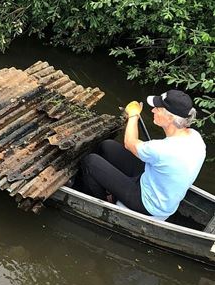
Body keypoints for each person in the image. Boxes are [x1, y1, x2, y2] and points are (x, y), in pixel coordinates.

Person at [77, 89, 206, 219]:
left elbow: (130, 143)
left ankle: (103, 204)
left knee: (90, 162)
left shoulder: (163, 149)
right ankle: (105, 187)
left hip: (148, 204)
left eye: (158, 109)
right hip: (157, 186)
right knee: (107, 146)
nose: (153, 110)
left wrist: (133, 115)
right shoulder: (195, 137)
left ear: (170, 118)